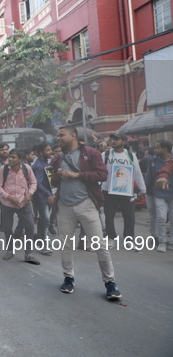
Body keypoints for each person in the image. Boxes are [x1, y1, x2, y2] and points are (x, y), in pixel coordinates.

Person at [50, 125, 121, 299]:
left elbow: (102, 175)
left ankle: (110, 283)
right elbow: (52, 182)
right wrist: (57, 176)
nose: (58, 138)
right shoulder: (57, 159)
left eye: (61, 135)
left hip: (87, 205)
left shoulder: (90, 153)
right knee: (66, 245)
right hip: (64, 206)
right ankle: (68, 278)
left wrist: (78, 175)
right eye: (57, 135)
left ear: (73, 135)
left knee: (99, 245)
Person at [101, 132, 146, 246]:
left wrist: (143, 189)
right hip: (108, 191)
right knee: (109, 216)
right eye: (113, 139)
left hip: (126, 191)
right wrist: (99, 187)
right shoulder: (105, 155)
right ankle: (111, 238)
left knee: (129, 217)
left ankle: (129, 240)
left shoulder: (130, 155)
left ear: (124, 142)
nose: (114, 141)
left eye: (117, 139)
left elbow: (137, 173)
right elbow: (99, 172)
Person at [0, 149, 39, 264]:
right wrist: (9, 197)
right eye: (10, 157)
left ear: (20, 159)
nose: (10, 159)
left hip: (24, 203)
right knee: (8, 228)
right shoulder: (3, 169)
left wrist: (29, 194)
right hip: (7, 203)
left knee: (30, 227)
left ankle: (28, 253)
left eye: (14, 157)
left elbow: (33, 183)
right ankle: (10, 250)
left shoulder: (27, 168)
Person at [144, 140, 173, 252]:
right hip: (159, 193)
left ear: (164, 149)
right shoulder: (153, 160)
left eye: (157, 147)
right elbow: (149, 178)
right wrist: (146, 190)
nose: (154, 150)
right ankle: (162, 241)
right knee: (161, 217)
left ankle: (172, 241)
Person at [32, 141, 54, 255]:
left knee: (44, 220)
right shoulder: (38, 166)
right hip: (42, 197)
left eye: (50, 149)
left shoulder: (47, 163)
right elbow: (37, 183)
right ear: (41, 152)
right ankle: (43, 244)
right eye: (48, 150)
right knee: (45, 220)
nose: (50, 152)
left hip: (48, 196)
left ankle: (41, 240)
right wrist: (48, 194)